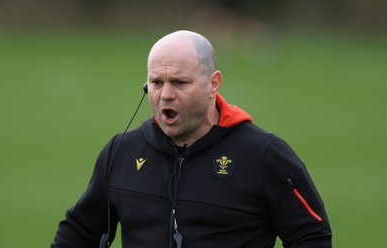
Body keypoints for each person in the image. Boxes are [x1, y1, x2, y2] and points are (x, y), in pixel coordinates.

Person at [51, 30, 332, 248]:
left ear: (213, 83)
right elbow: (79, 232)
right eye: (157, 83)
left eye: (180, 82)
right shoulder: (122, 152)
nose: (166, 95)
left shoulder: (263, 155)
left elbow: (311, 235)